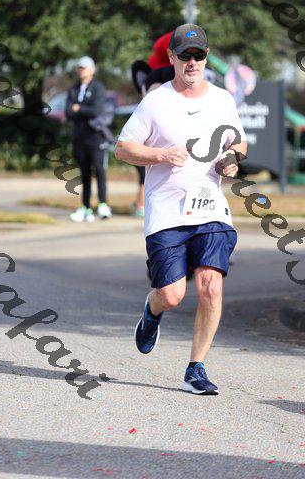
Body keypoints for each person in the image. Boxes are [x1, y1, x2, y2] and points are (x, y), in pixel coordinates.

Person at [115, 24, 247, 395]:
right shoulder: (156, 102)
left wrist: (231, 160)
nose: (192, 62)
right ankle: (152, 310)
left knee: (211, 287)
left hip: (211, 209)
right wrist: (159, 155)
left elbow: (239, 143)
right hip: (167, 211)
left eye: (198, 55)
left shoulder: (222, 99)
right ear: (172, 57)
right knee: (172, 295)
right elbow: (123, 148)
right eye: (185, 55)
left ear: (206, 57)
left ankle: (196, 368)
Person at [65, 56, 113, 222]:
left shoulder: (98, 87)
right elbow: (68, 112)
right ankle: (85, 207)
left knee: (99, 171)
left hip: (96, 137)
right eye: (79, 67)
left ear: (92, 70)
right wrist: (80, 109)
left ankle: (103, 204)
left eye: (84, 67)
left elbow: (96, 110)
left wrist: (78, 108)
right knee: (84, 173)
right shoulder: (73, 89)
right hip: (79, 137)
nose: (81, 70)